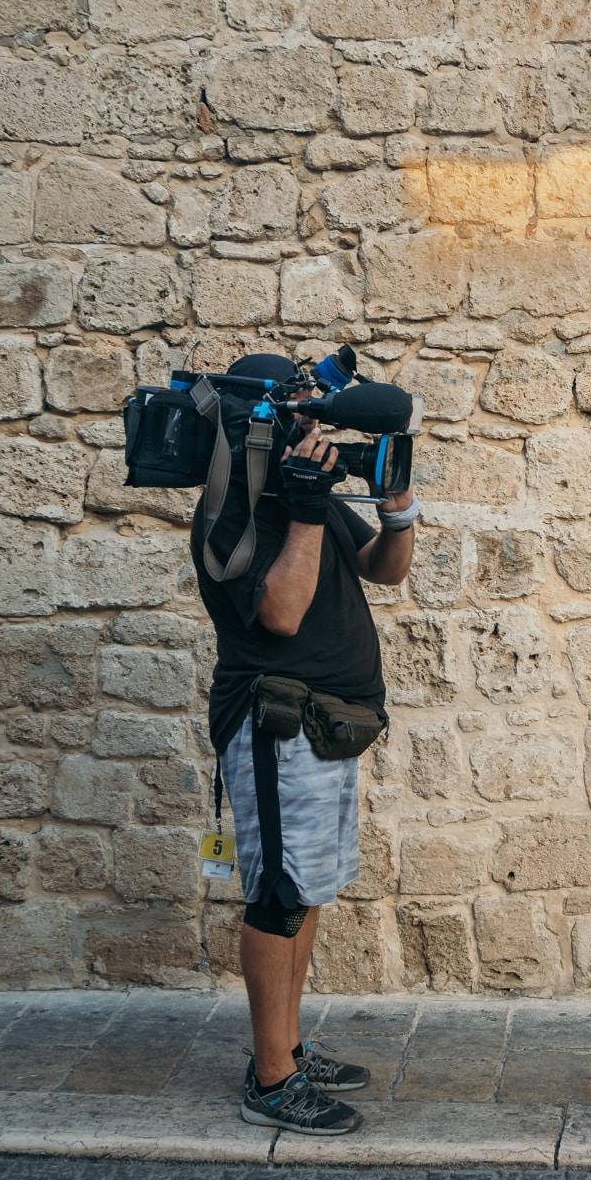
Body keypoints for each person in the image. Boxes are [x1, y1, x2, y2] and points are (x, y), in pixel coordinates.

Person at [192, 354, 418, 1136]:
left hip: (327, 720)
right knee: (278, 895)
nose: (313, 426)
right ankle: (271, 1078)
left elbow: (381, 570)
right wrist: (308, 507)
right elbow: (280, 613)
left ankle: (286, 1043)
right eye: (297, 411)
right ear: (258, 420)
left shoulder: (304, 487)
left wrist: (397, 509)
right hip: (273, 722)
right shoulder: (236, 507)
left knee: (306, 886)